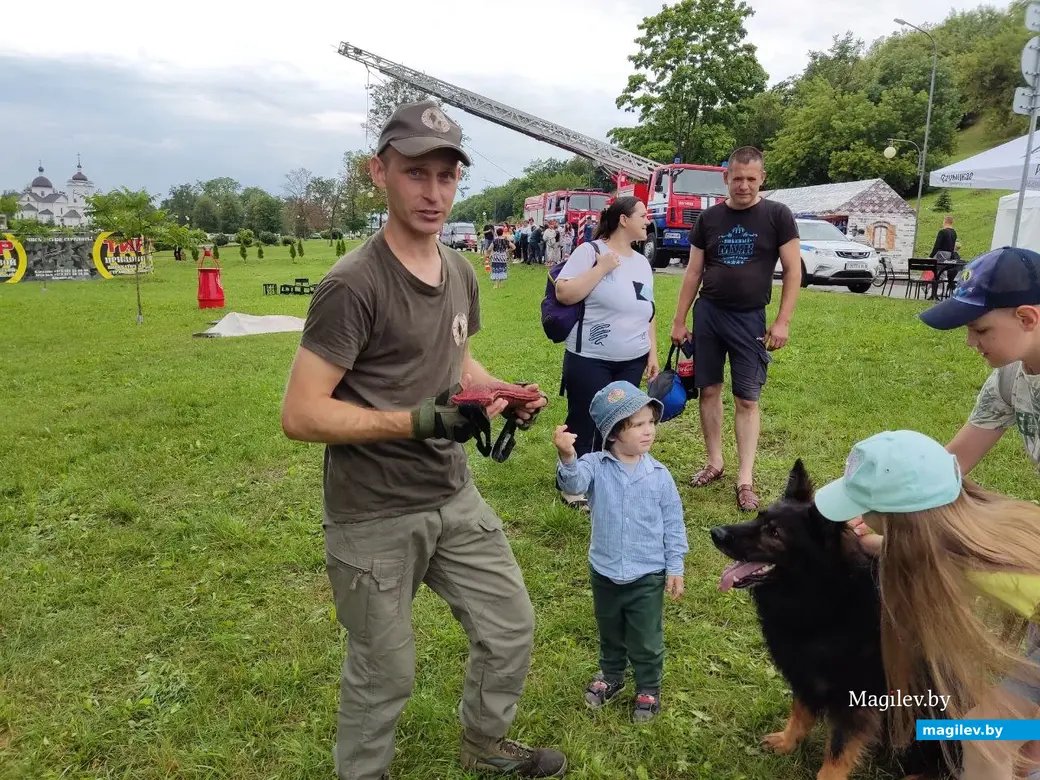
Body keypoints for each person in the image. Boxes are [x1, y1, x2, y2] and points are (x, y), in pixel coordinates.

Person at [279, 99, 565, 780]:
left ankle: (484, 744)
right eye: (415, 173)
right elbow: (301, 414)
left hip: (451, 494)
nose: (433, 192)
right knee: (384, 670)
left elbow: (456, 361)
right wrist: (417, 421)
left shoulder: (460, 272)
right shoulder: (353, 285)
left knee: (509, 627)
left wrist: (500, 394)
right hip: (373, 510)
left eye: (446, 176)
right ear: (379, 172)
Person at [813, 429, 1040, 780]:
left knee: (984, 738)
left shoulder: (979, 567)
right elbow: (923, 548)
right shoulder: (982, 526)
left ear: (895, 520)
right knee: (999, 734)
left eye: (863, 510)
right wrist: (872, 543)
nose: (858, 518)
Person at [853, 246, 1040, 557]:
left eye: (980, 329)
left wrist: (888, 547)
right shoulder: (1009, 377)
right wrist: (873, 505)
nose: (970, 341)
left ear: (1027, 318)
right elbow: (948, 465)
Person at [668, 146, 802, 512]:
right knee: (708, 390)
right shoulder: (708, 219)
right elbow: (693, 272)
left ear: (762, 178)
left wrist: (783, 320)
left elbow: (793, 270)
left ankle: (745, 479)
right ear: (726, 178)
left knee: (747, 398)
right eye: (737, 178)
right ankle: (715, 462)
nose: (743, 185)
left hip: (749, 318)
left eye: (751, 179)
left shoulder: (777, 215)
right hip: (709, 315)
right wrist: (679, 320)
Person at [553, 381, 688, 723]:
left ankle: (648, 686)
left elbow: (673, 523)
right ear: (613, 433)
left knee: (645, 636)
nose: (649, 431)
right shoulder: (594, 466)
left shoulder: (660, 476)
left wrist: (675, 566)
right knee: (610, 629)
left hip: (647, 574)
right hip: (605, 570)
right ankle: (611, 675)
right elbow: (573, 484)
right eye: (638, 425)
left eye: (651, 422)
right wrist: (567, 457)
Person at [552, 196, 660, 510]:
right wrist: (601, 268)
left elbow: (648, 310)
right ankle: (572, 485)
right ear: (623, 220)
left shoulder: (642, 262)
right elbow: (564, 292)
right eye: (642, 215)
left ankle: (607, 478)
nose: (648, 221)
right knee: (584, 420)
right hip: (590, 358)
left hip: (632, 359)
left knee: (619, 422)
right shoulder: (591, 252)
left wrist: (652, 352)